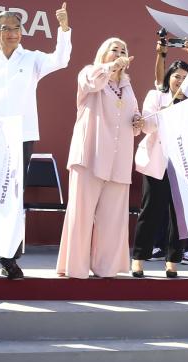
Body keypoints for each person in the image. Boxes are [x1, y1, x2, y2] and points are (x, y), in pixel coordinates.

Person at [0, 4, 71, 280]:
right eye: (6, 29)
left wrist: (64, 29)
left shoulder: (32, 59)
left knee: (12, 197)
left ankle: (8, 257)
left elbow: (61, 60)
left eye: (17, 28)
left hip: (18, 137)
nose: (12, 33)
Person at [56, 38, 144, 278]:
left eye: (123, 50)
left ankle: (106, 268)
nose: (119, 53)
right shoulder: (90, 73)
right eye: (114, 49)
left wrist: (137, 121)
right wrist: (112, 67)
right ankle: (75, 268)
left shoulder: (127, 86)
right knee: (81, 215)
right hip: (89, 157)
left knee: (112, 218)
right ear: (103, 53)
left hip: (118, 161)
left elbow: (133, 116)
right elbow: (92, 82)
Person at [130, 58, 188, 277]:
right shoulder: (156, 96)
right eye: (176, 76)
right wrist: (166, 111)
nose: (180, 81)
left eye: (185, 78)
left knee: (178, 215)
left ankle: (172, 261)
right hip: (157, 162)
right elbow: (147, 126)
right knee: (150, 211)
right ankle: (138, 259)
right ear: (168, 77)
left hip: (183, 166)